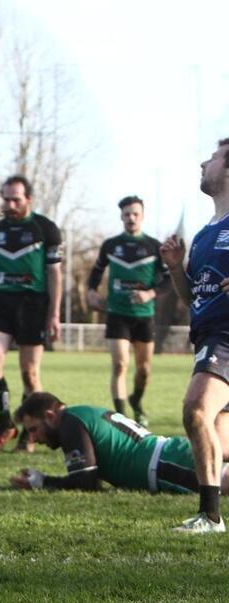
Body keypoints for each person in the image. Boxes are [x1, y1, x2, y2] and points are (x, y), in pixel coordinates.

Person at [159, 137, 229, 533]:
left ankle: (210, 516)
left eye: (215, 157)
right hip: (207, 337)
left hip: (226, 338)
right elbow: (192, 297)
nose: (204, 162)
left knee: (196, 410)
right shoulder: (205, 235)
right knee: (219, 438)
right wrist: (174, 269)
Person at [0, 175, 63, 453]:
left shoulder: (45, 229)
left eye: (16, 199)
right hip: (1, 304)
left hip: (33, 306)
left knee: (29, 374)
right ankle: (6, 424)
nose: (10, 204)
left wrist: (54, 313)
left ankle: (30, 433)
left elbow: (54, 273)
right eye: (6, 199)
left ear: (29, 199)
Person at [9, 392, 229, 495]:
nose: (33, 439)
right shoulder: (79, 413)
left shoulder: (70, 422)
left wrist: (43, 481)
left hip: (164, 464)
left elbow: (85, 481)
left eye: (33, 429)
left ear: (50, 415)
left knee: (224, 482)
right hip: (166, 456)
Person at [86, 196, 168, 426]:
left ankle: (137, 401)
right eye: (126, 214)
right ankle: (120, 416)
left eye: (135, 214)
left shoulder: (154, 246)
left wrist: (149, 294)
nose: (131, 218)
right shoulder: (111, 245)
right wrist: (91, 291)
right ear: (121, 217)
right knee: (120, 364)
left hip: (144, 316)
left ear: (142, 216)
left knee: (144, 370)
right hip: (117, 313)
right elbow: (96, 271)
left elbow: (168, 281)